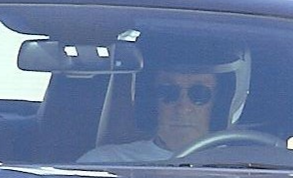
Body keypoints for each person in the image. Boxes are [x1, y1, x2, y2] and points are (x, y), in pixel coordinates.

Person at [78, 62, 229, 163]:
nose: (183, 108)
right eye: (168, 91)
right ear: (150, 102)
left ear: (218, 102)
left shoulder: (240, 166)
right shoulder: (105, 163)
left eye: (199, 94)